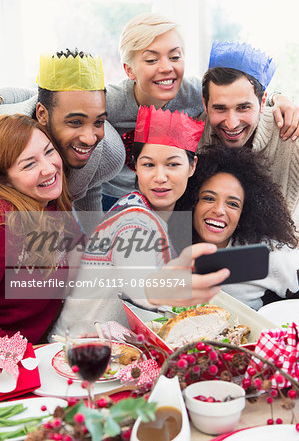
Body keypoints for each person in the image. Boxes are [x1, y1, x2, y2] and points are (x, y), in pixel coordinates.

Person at [1, 14, 298, 211]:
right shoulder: (109, 102)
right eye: (151, 59)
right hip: (112, 198)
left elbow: (241, 93)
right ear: (129, 69)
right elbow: (41, 96)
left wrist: (277, 100)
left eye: (175, 56)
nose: (166, 67)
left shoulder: (197, 93)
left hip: (170, 197)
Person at [52, 106, 230, 335]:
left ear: (192, 166)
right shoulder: (134, 219)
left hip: (111, 348)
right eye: (148, 164)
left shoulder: (152, 213)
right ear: (135, 167)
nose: (160, 177)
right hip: (74, 350)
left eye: (172, 164)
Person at [0, 49, 125, 233]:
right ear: (41, 114)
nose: (89, 138)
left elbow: (88, 188)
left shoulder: (109, 155)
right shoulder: (8, 136)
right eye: (75, 122)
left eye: (99, 121)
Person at [185, 145, 298, 310]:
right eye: (209, 198)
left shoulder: (268, 255)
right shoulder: (172, 244)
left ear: (244, 213)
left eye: (232, 204)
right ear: (192, 201)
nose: (219, 210)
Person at [199, 41, 299, 223]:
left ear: (263, 102)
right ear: (205, 105)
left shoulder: (292, 134)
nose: (231, 124)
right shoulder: (189, 136)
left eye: (243, 108)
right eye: (220, 108)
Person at [0, 114, 75, 343]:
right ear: (5, 181)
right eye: (29, 164)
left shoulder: (52, 206)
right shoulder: (5, 228)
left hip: (41, 346)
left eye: (49, 151)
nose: (48, 168)